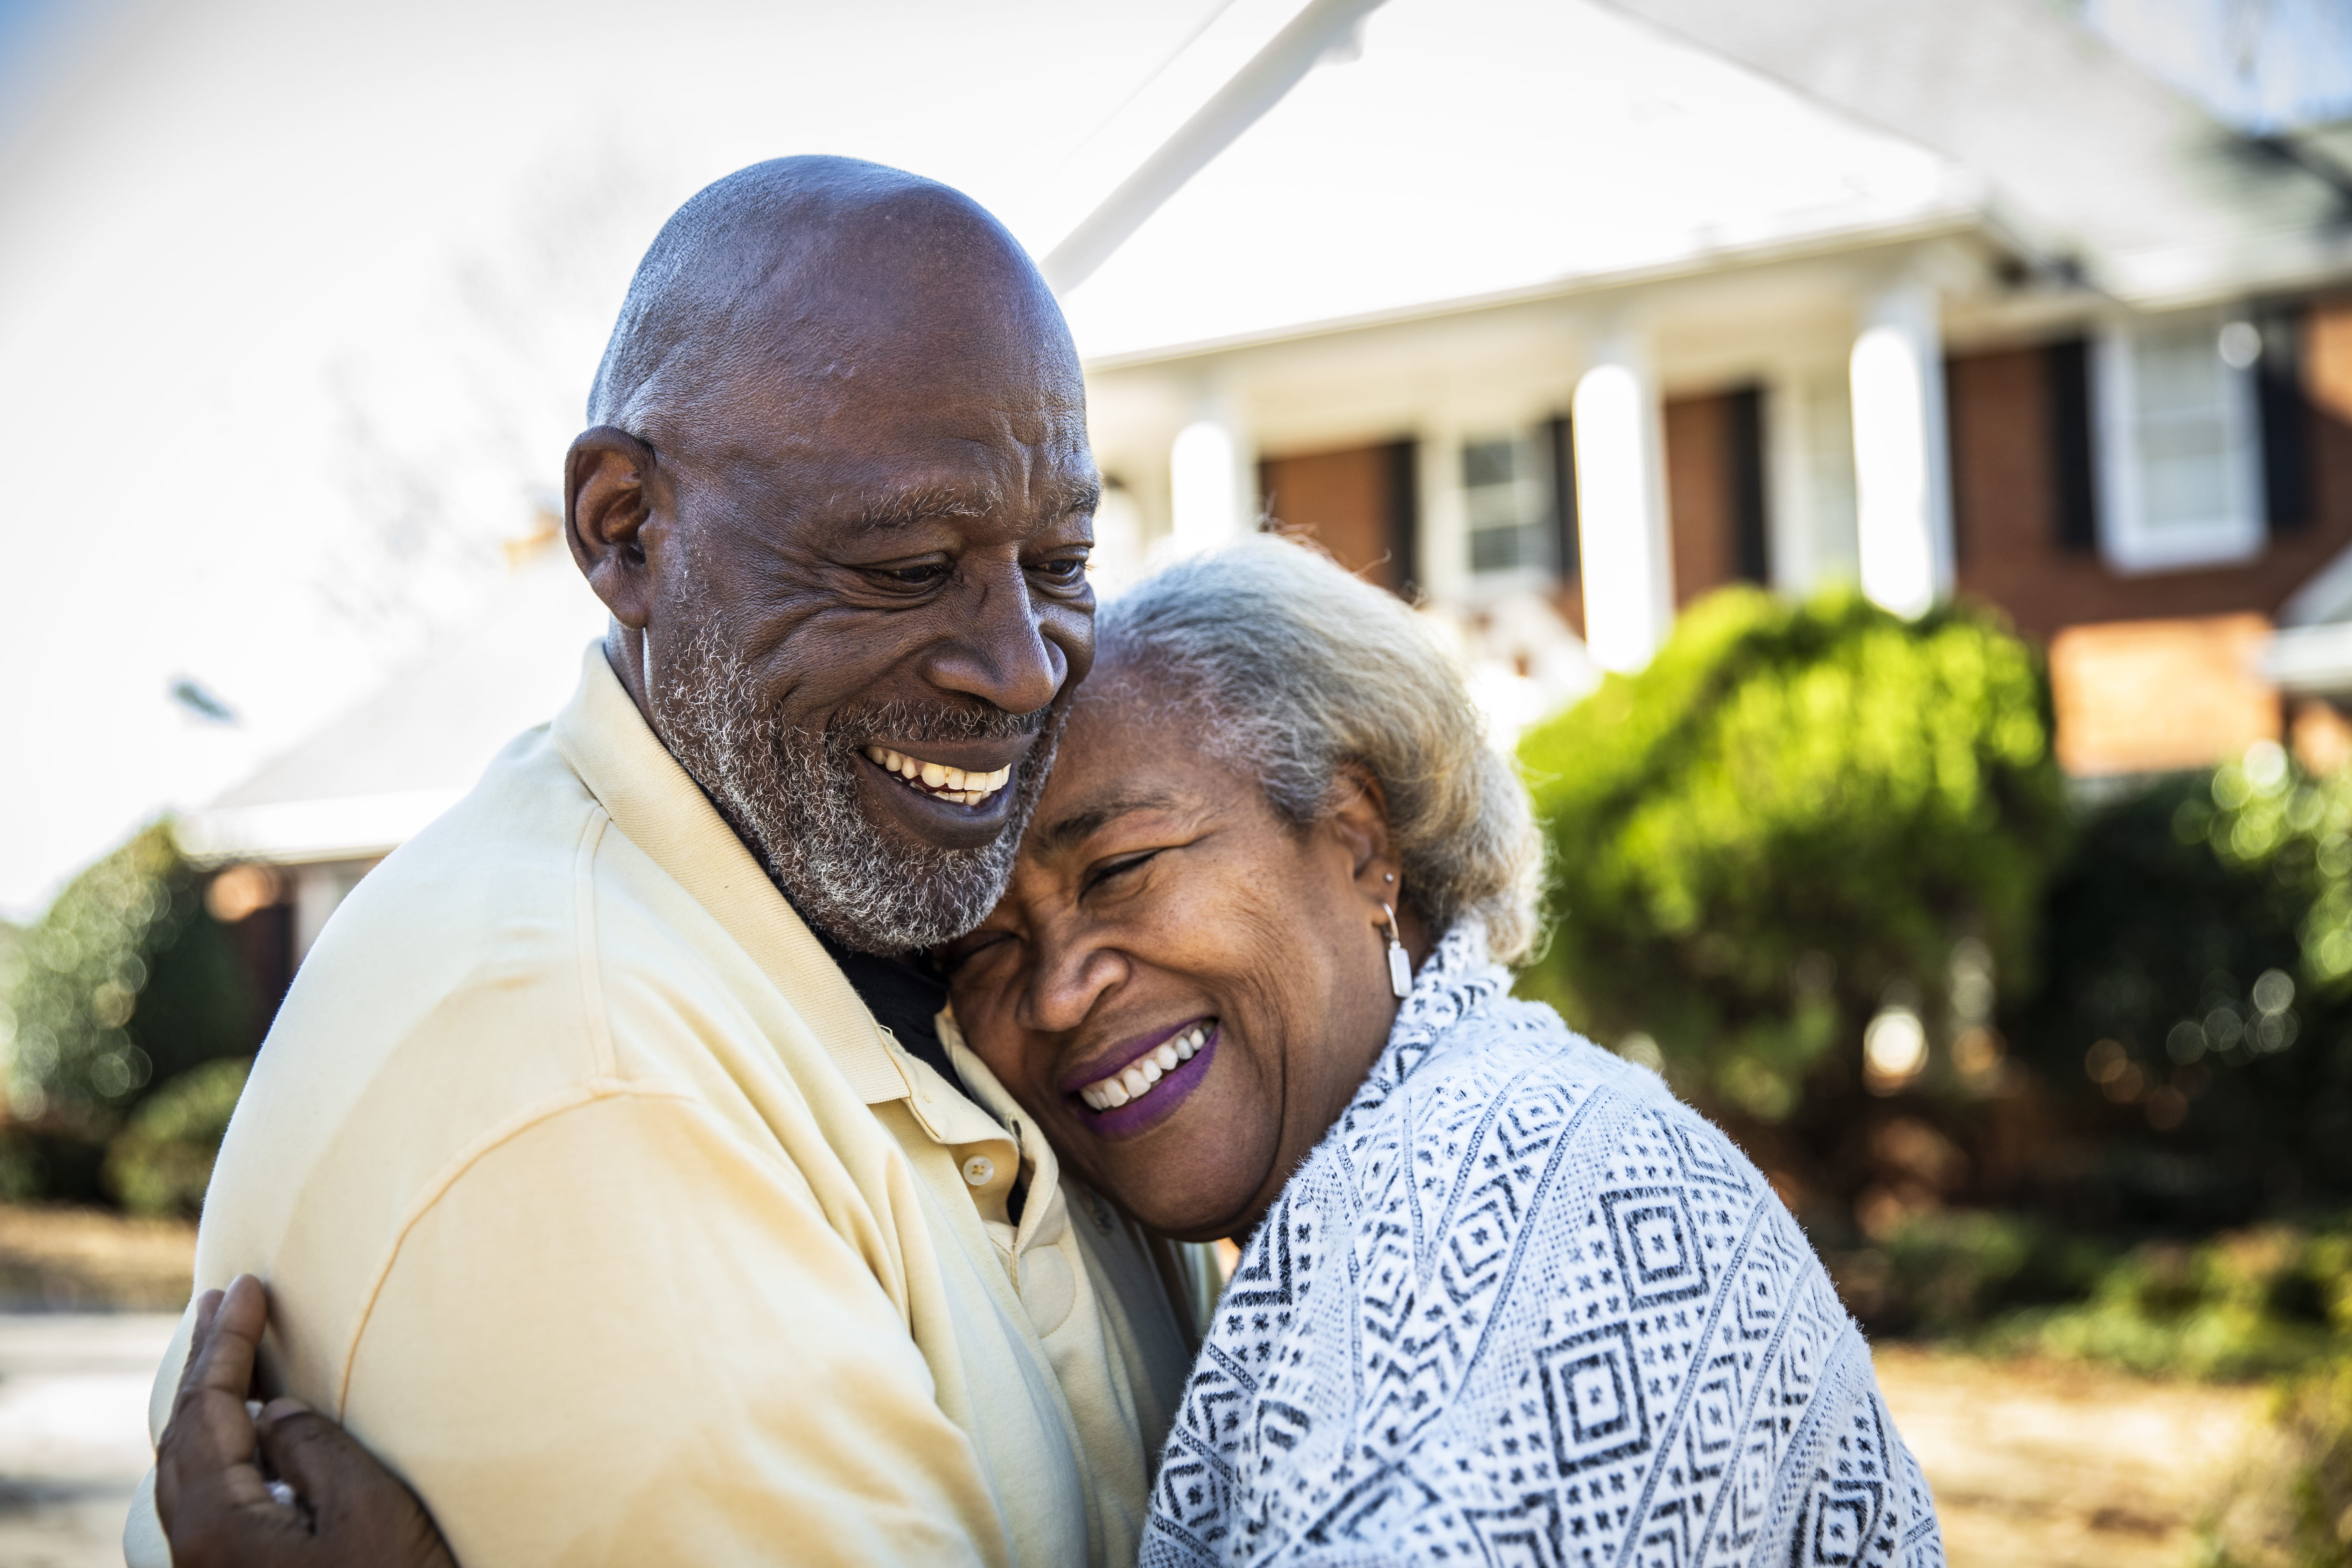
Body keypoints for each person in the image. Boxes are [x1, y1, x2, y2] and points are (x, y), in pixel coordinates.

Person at [160, 539, 1946, 1566]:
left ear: (1360, 836)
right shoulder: (1352, 1216)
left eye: (1129, 867)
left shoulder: (1507, 1196)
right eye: (992, 948)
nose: (1068, 984)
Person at [133, 155, 1215, 1568]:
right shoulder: (577, 1062)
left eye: (1062, 560)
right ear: (625, 530)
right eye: (901, 566)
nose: (1020, 669)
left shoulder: (941, 947)